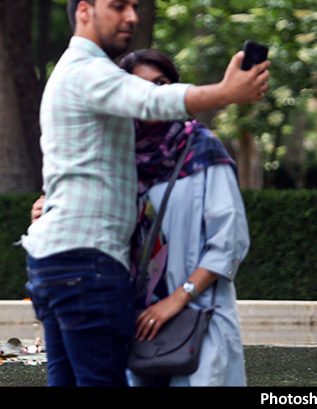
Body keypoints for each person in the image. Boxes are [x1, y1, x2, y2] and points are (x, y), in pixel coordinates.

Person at [20, 0, 268, 386]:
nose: (132, 16)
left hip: (59, 263)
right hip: (86, 266)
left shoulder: (75, 75)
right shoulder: (87, 69)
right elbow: (150, 102)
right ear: (84, 11)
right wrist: (224, 93)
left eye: (134, 6)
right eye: (118, 6)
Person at [122, 49, 248, 386]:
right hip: (131, 323)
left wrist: (176, 299)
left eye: (160, 83)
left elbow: (230, 241)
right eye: (137, 84)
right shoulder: (114, 154)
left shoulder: (201, 148)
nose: (150, 93)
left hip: (197, 317)